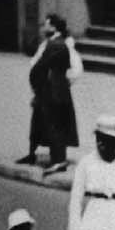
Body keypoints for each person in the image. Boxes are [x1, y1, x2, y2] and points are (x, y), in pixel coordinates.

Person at [23, 14, 79, 174]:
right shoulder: (57, 43)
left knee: (55, 125)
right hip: (54, 90)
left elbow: (41, 66)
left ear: (54, 27)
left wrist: (35, 84)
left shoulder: (56, 44)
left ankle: (59, 160)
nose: (43, 27)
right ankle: (38, 154)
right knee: (45, 123)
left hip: (52, 91)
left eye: (46, 25)